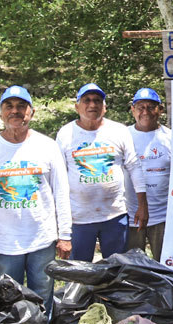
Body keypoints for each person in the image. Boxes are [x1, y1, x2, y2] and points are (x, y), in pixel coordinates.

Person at [0, 86, 72, 313]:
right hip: (5, 243)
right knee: (6, 299)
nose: (15, 112)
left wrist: (65, 235)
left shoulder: (48, 146)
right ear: (0, 113)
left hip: (42, 240)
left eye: (21, 107)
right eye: (9, 106)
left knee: (43, 297)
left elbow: (61, 193)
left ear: (31, 112)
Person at [55, 83, 147, 262]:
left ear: (104, 107)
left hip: (114, 215)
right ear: (77, 106)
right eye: (86, 100)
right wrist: (61, 224)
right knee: (79, 272)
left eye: (97, 101)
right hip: (79, 217)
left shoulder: (118, 131)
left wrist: (143, 206)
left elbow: (134, 167)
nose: (92, 105)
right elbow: (58, 179)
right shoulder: (65, 134)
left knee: (115, 270)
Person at [122, 87, 172, 258]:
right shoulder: (123, 136)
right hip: (130, 216)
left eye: (151, 107)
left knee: (165, 266)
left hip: (163, 216)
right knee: (133, 268)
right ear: (132, 110)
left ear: (160, 110)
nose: (145, 112)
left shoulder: (171, 138)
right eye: (140, 107)